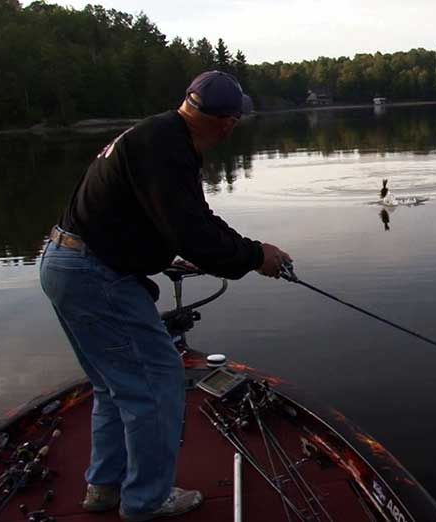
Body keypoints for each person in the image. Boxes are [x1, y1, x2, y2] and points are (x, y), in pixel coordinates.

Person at [38, 71, 291, 522]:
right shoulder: (168, 149)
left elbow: (175, 218)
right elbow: (194, 232)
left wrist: (161, 255)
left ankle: (105, 486)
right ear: (228, 122)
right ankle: (146, 501)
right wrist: (256, 256)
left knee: (114, 386)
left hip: (67, 263)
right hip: (96, 276)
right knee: (156, 385)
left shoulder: (158, 134)